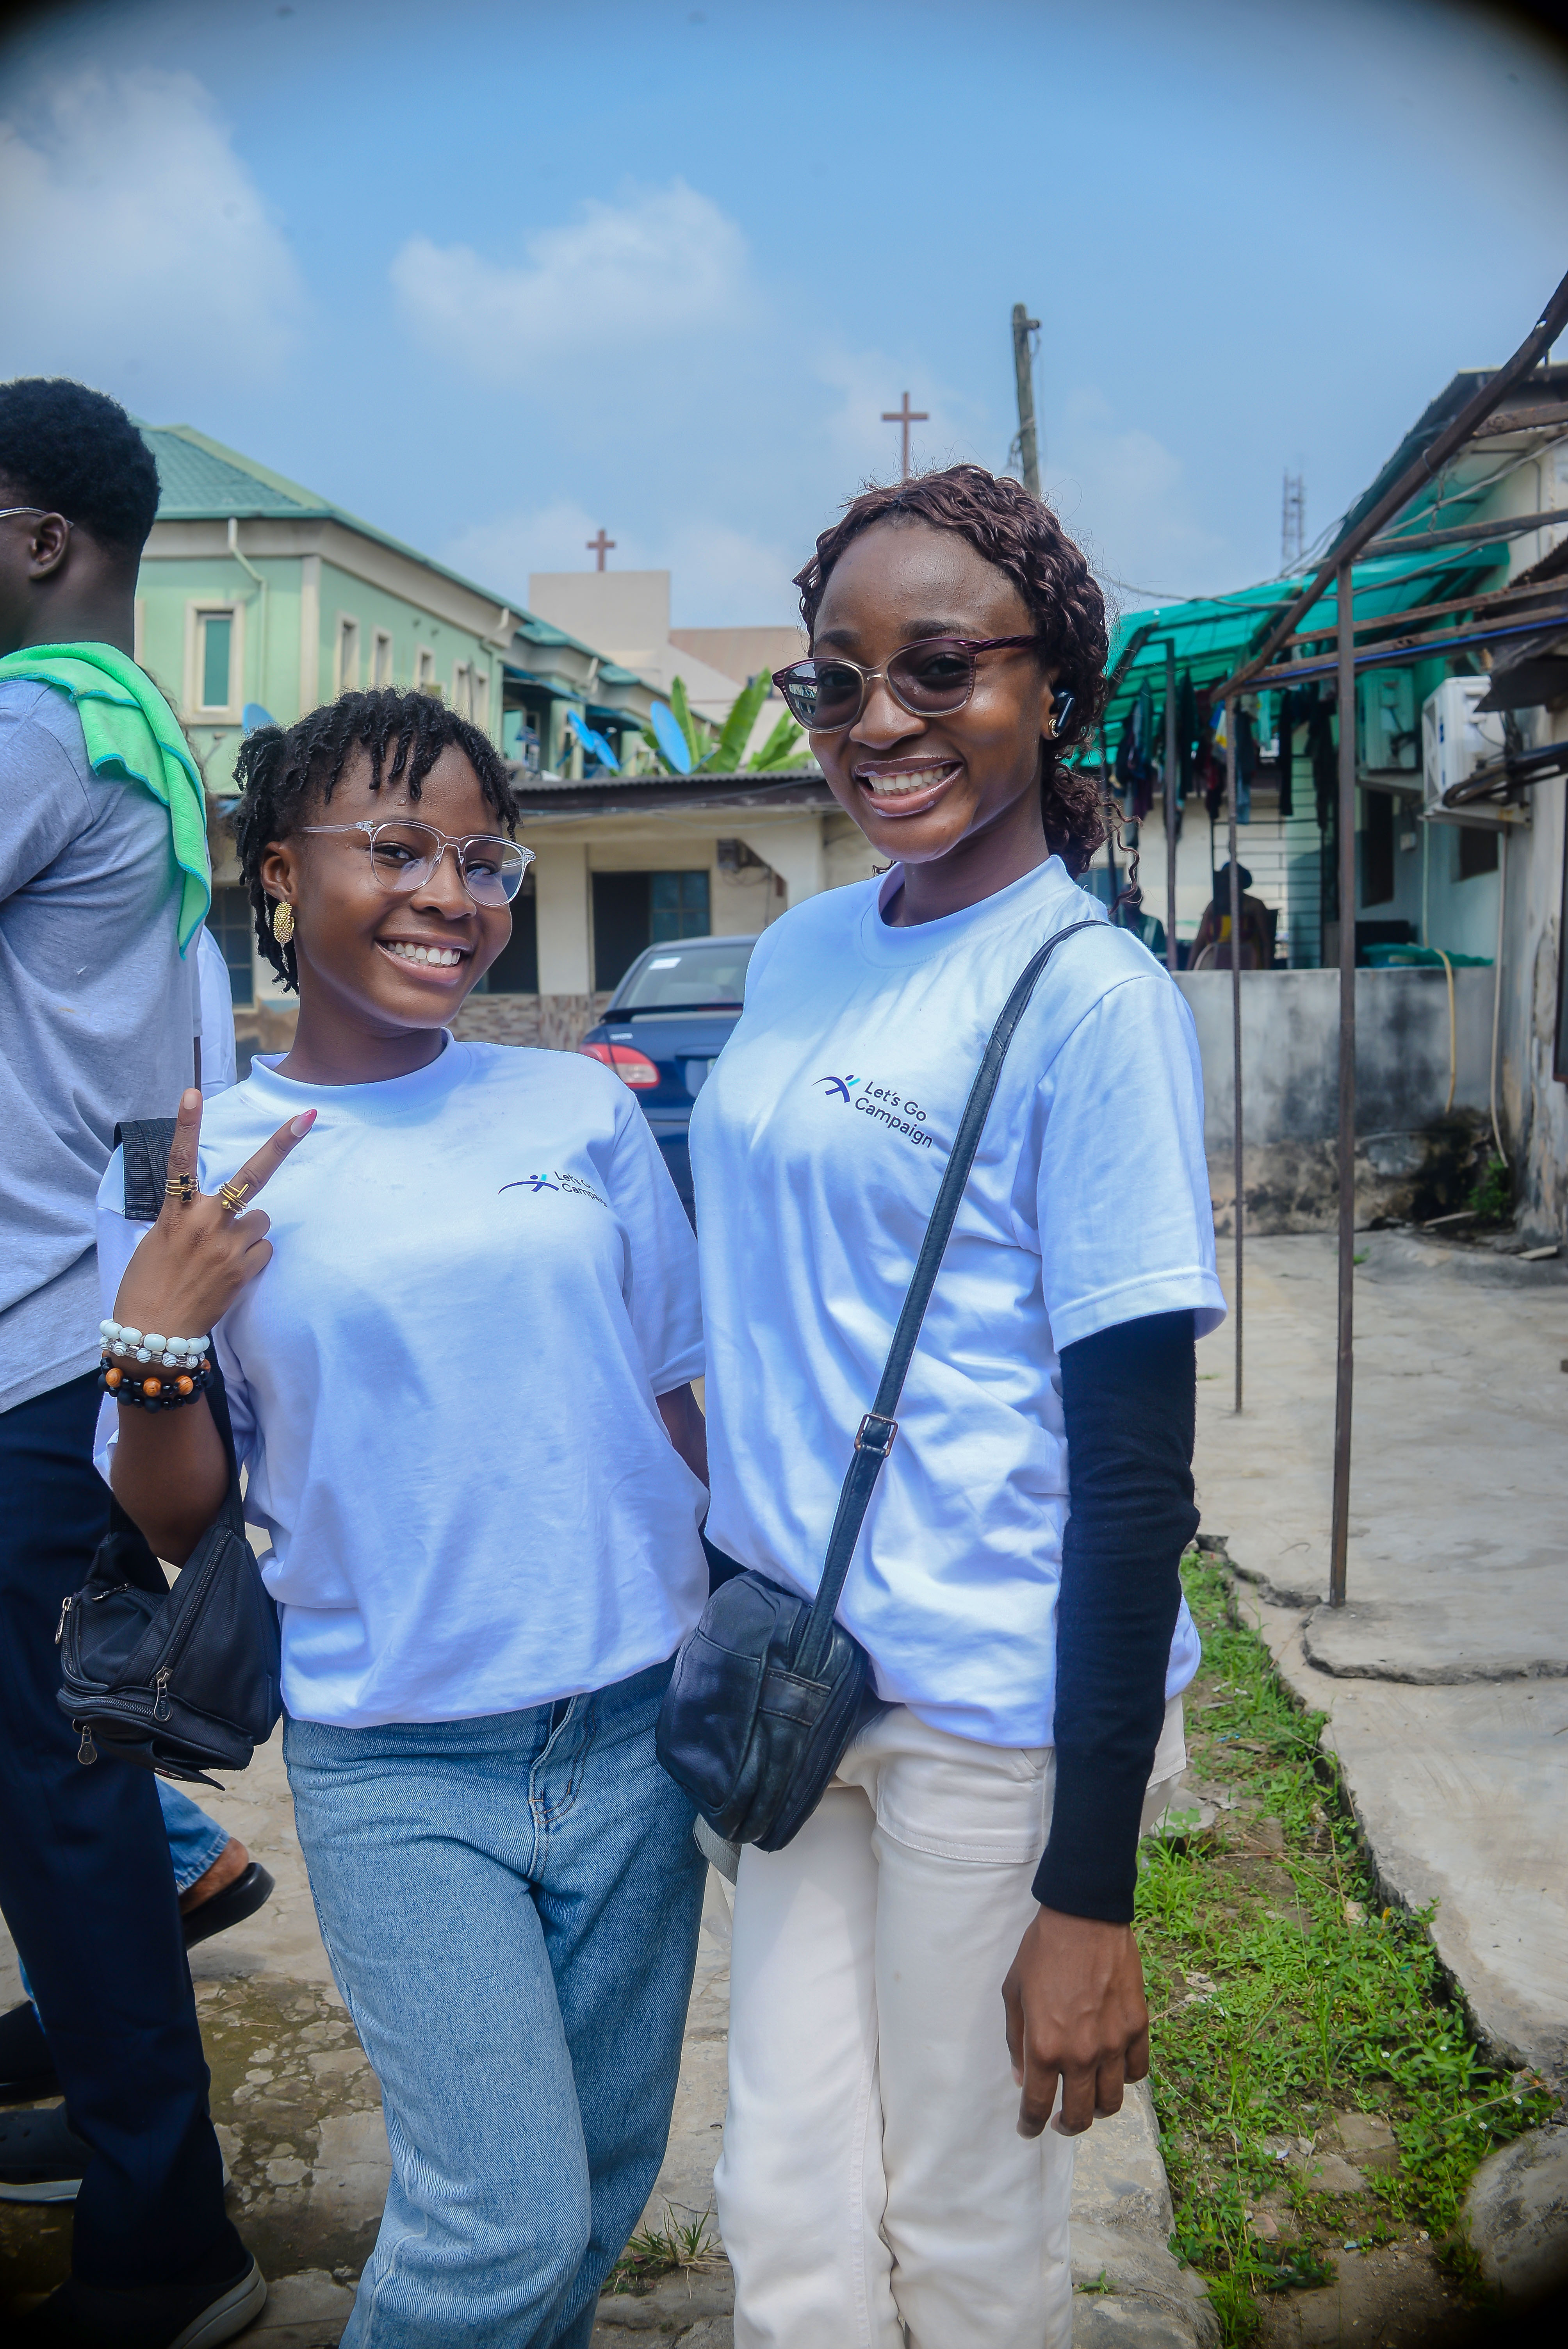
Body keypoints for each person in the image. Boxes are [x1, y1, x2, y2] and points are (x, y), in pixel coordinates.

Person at [96, 686, 711, 2347]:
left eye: (480, 855)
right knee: (491, 2227)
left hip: (636, 1723)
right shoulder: (197, 1154)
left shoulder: (577, 1106)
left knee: (592, 2173)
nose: (452, 891)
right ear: (278, 871)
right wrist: (157, 1338)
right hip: (397, 1750)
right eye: (396, 847)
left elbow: (677, 1396)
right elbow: (171, 1515)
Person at [690, 465, 1225, 2349]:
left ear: (1049, 687)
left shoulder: (1089, 999)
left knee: (967, 2223)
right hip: (788, 1664)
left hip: (983, 1721)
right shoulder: (800, 950)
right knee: (782, 2208)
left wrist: (1088, 1889)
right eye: (831, 680)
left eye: (936, 668)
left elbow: (1133, 1474)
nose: (877, 722)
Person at [0, 376, 267, 2343]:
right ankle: (102, 2103)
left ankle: (169, 2242)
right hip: (73, 1320)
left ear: (33, 541)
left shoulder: (26, 726)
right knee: (61, 1775)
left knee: (59, 1789)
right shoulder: (143, 738)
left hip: (16, 1338)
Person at [1189, 862, 1274, 970]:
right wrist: (1189, 970)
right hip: (1215, 968)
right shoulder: (1214, 907)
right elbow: (1200, 941)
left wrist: (1267, 971)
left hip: (1247, 968)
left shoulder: (1254, 906)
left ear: (1241, 882)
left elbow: (1266, 942)